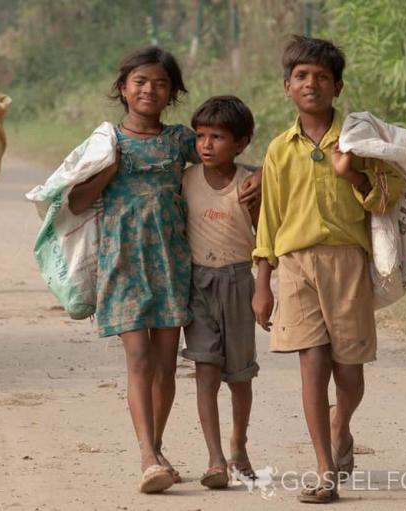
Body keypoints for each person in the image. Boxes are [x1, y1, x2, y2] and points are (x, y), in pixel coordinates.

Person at [251, 35, 405, 503]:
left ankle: (341, 425)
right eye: (301, 77)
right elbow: (269, 218)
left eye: (321, 77)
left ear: (337, 86)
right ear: (287, 87)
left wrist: (352, 173)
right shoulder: (279, 149)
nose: (311, 84)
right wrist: (263, 282)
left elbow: (388, 196)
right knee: (312, 365)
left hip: (347, 264)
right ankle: (324, 470)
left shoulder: (362, 140)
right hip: (296, 266)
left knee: (350, 374)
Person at [67, 45, 197, 494]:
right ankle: (147, 455)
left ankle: (156, 451)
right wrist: (107, 171)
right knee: (139, 360)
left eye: (160, 83)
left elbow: (221, 165)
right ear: (123, 89)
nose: (149, 89)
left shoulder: (181, 140)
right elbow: (76, 201)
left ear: (172, 92)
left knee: (165, 365)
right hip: (122, 263)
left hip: (172, 261)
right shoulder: (106, 143)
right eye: (140, 81)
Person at [180, 95, 260, 489]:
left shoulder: (251, 182)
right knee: (205, 371)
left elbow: (267, 236)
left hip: (240, 281)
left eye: (218, 137)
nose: (206, 145)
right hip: (198, 284)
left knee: (240, 377)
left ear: (241, 142)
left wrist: (264, 288)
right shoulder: (187, 178)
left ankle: (239, 445)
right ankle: (214, 458)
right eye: (200, 136)